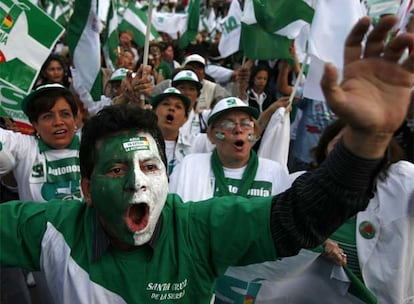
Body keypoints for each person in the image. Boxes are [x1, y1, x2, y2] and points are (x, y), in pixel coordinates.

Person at [0, 15, 413, 303]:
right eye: (115, 169)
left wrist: (366, 142)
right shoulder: (49, 228)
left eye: (149, 166)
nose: (137, 183)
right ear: (86, 189)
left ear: (166, 171)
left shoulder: (197, 229)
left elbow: (299, 215)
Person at [308, 119, 414, 303]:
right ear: (325, 149)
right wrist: (317, 243)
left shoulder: (402, 181)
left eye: (360, 143)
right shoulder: (302, 186)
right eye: (339, 144)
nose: (349, 151)